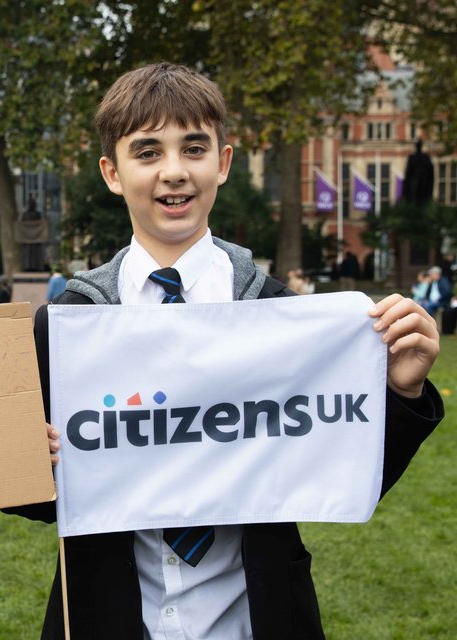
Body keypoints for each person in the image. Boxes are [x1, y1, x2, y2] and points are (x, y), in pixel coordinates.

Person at [28, 62, 443, 640]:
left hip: (256, 617)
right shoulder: (70, 322)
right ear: (112, 173)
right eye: (147, 152)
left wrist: (400, 390)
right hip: (113, 614)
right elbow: (42, 503)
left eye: (193, 148)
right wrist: (26, 464)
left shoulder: (281, 314)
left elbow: (344, 467)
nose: (174, 172)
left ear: (222, 162)